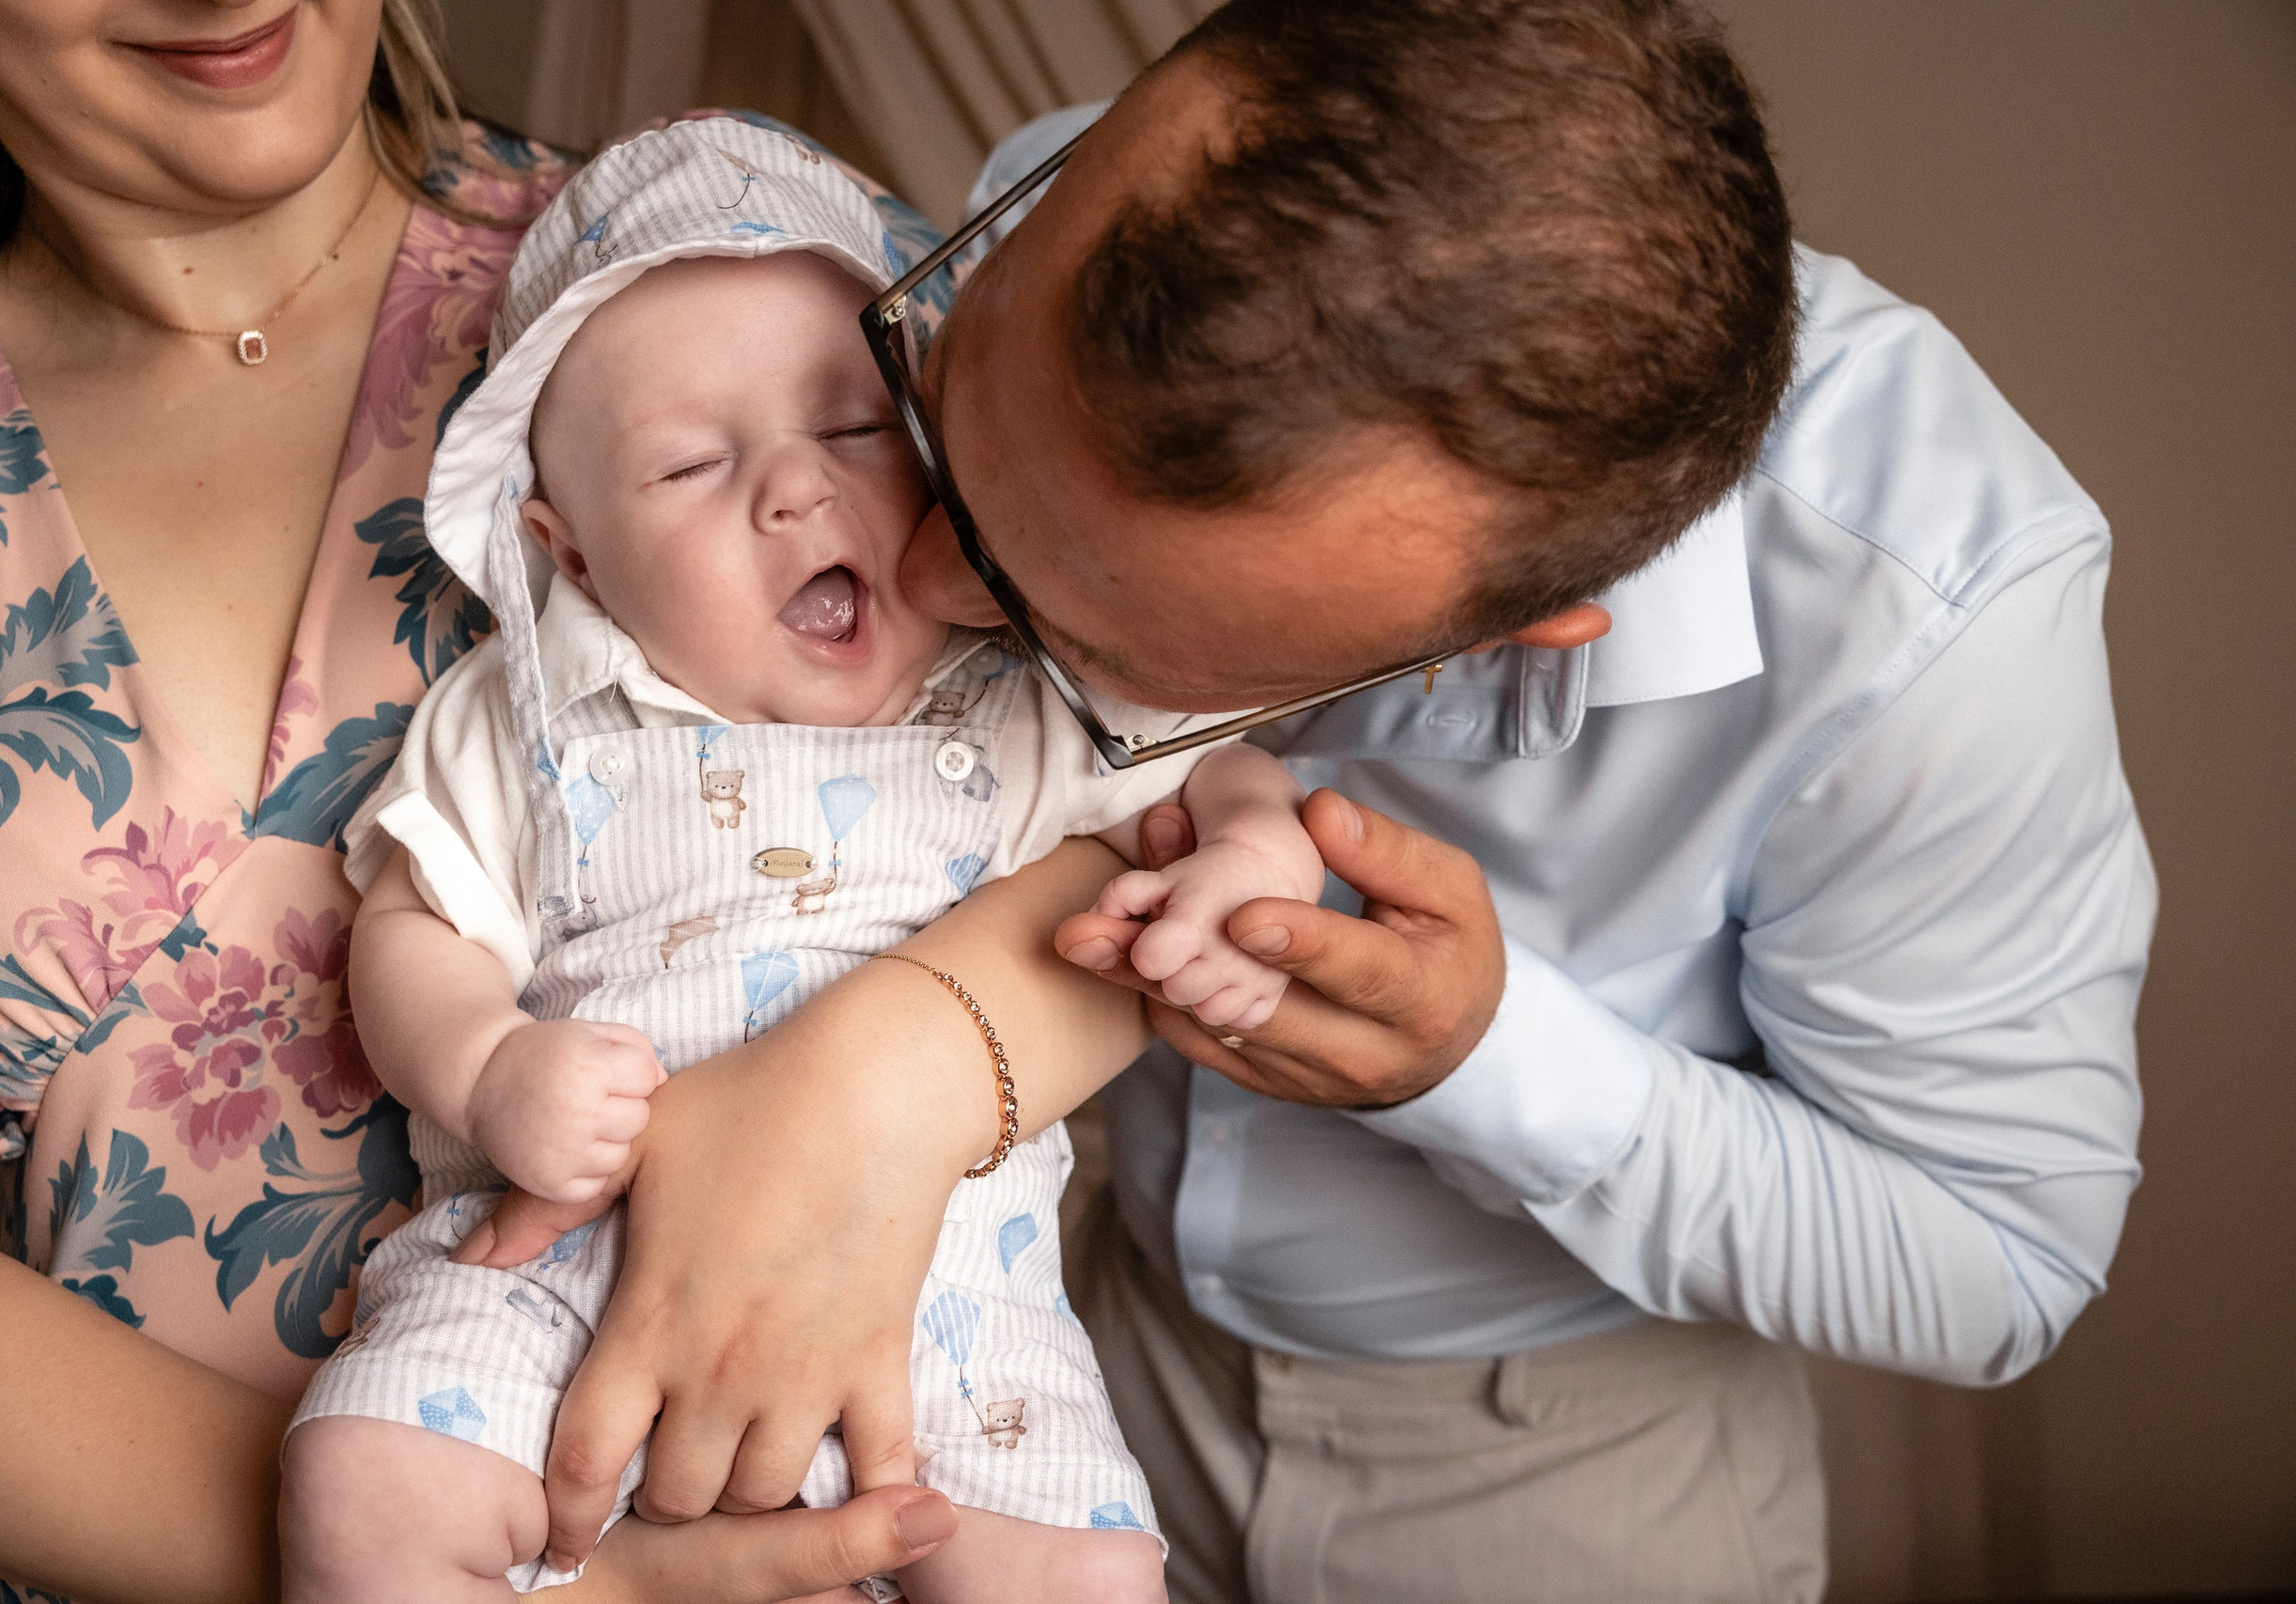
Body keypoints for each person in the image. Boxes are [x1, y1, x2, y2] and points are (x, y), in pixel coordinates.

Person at [859, 1, 2147, 1599]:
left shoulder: (1932, 618)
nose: (913, 585)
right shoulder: (1082, 204)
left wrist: (1488, 1063)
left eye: (1088, 639)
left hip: (1570, 1476)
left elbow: (1997, 1263)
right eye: (943, 429)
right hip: (1066, 1343)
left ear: (1499, 637)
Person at [0, 6, 1158, 1601]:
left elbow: (1124, 786)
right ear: (553, 538)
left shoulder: (745, 265)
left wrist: (892, 1064)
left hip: (869, 1467)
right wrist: (557, 1579)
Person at [277, 117, 1323, 1603]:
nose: (791, 488)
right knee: (364, 1488)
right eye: (692, 465)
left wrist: (1251, 844)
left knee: (1088, 1575)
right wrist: (488, 1071)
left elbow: (1211, 773)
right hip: (570, 1285)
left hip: (957, 1324)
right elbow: (413, 931)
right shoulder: (533, 726)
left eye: (848, 430)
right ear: (568, 555)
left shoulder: (1015, 692)